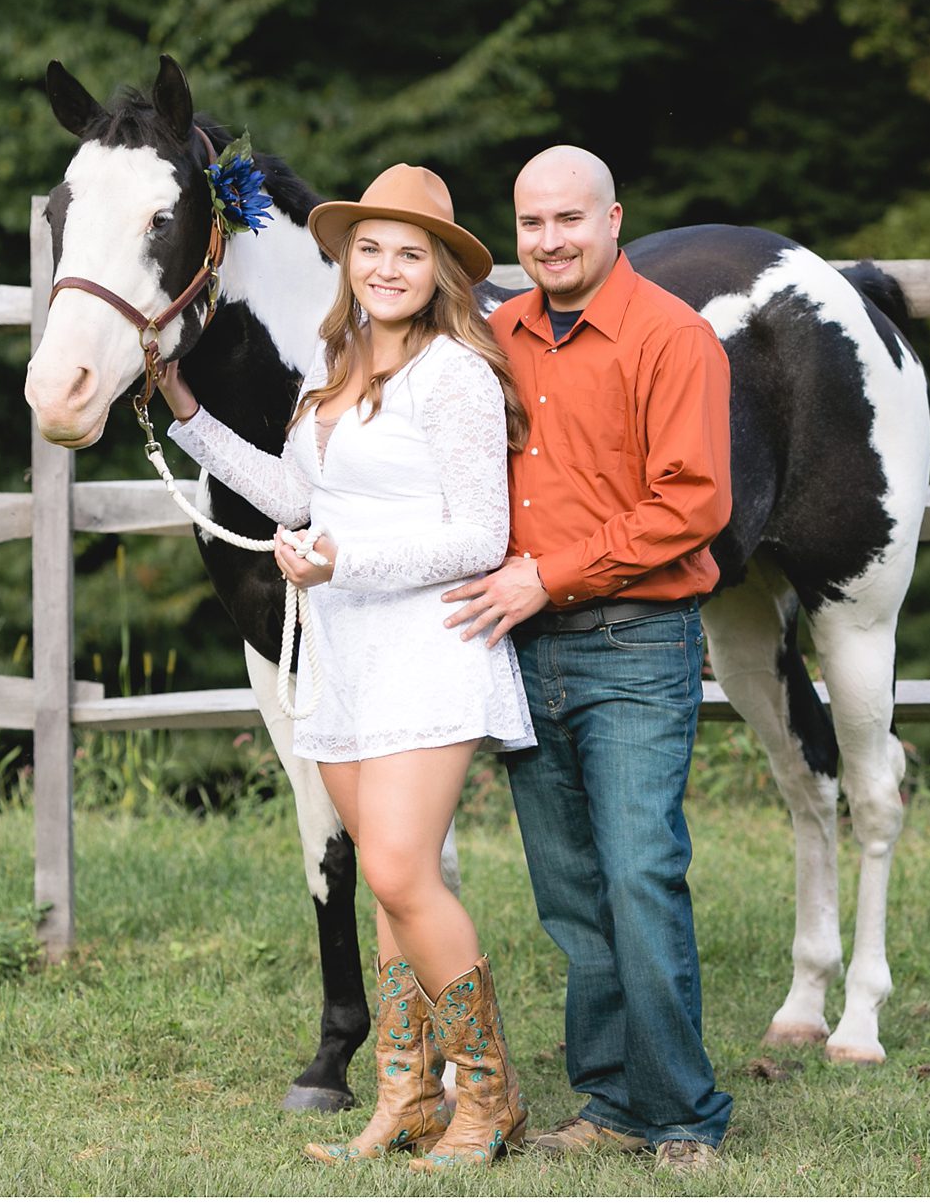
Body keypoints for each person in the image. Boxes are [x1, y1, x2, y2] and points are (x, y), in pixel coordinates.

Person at [158, 164, 534, 1171]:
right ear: (345, 258)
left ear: (443, 269)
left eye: (410, 251)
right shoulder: (334, 370)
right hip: (345, 658)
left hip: (424, 648)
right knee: (382, 880)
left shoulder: (454, 372)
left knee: (404, 868)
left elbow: (479, 534)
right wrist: (188, 415)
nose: (386, 265)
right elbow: (292, 493)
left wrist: (342, 561)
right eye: (369, 247)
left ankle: (487, 1096)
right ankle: (407, 1095)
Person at [441, 145, 735, 1171]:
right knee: (569, 889)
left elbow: (692, 503)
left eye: (568, 219)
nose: (549, 241)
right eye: (531, 225)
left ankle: (683, 1112)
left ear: (614, 219)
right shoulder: (495, 333)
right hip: (519, 648)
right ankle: (609, 1096)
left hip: (635, 643)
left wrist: (547, 574)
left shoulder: (672, 336)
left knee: (640, 871)